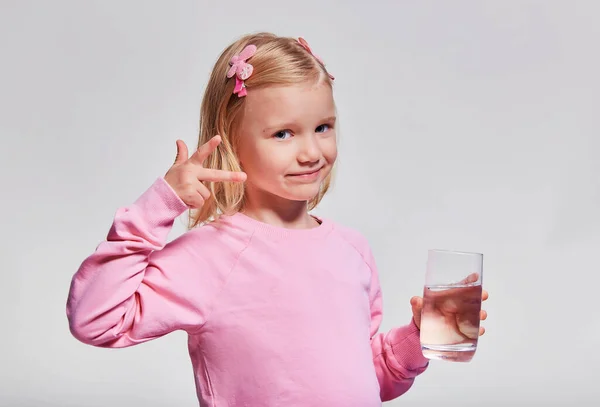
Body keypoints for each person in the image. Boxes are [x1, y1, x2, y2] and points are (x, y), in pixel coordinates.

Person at [66, 32, 488, 406]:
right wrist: (156, 208)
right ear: (232, 140)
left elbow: (365, 380)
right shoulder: (211, 256)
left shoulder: (352, 250)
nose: (310, 151)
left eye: (323, 127)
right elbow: (96, 321)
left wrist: (418, 339)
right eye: (283, 134)